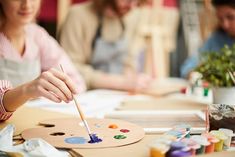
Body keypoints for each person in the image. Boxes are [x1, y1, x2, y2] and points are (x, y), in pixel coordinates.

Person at [0, 0, 86, 121]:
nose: (27, 5)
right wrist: (27, 91)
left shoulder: (37, 35)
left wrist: (48, 92)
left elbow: (76, 81)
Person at [60, 0, 152, 91]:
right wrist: (121, 83)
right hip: (86, 92)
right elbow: (71, 69)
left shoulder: (131, 16)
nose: (133, 6)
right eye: (128, 0)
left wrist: (134, 80)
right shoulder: (78, 16)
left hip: (118, 94)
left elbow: (129, 60)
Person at [181, 0, 235, 78]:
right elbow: (186, 68)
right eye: (220, 19)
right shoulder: (217, 39)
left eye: (230, 17)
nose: (225, 25)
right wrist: (194, 74)